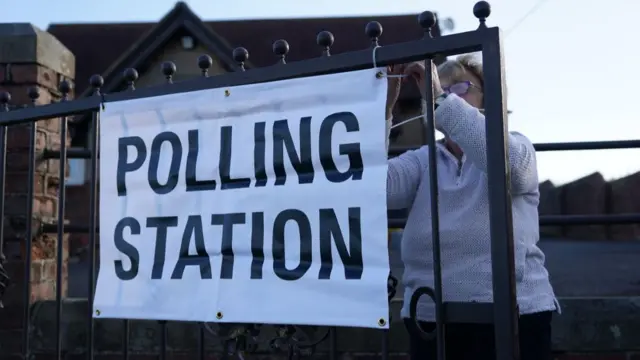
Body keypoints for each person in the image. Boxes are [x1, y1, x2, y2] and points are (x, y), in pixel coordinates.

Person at [385, 54, 559, 360]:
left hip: (513, 316)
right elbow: (375, 188)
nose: (448, 94)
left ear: (489, 97)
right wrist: (384, 109)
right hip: (430, 317)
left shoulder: (517, 145)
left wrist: (440, 97)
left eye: (461, 87)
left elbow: (510, 170)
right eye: (440, 89)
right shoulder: (422, 160)